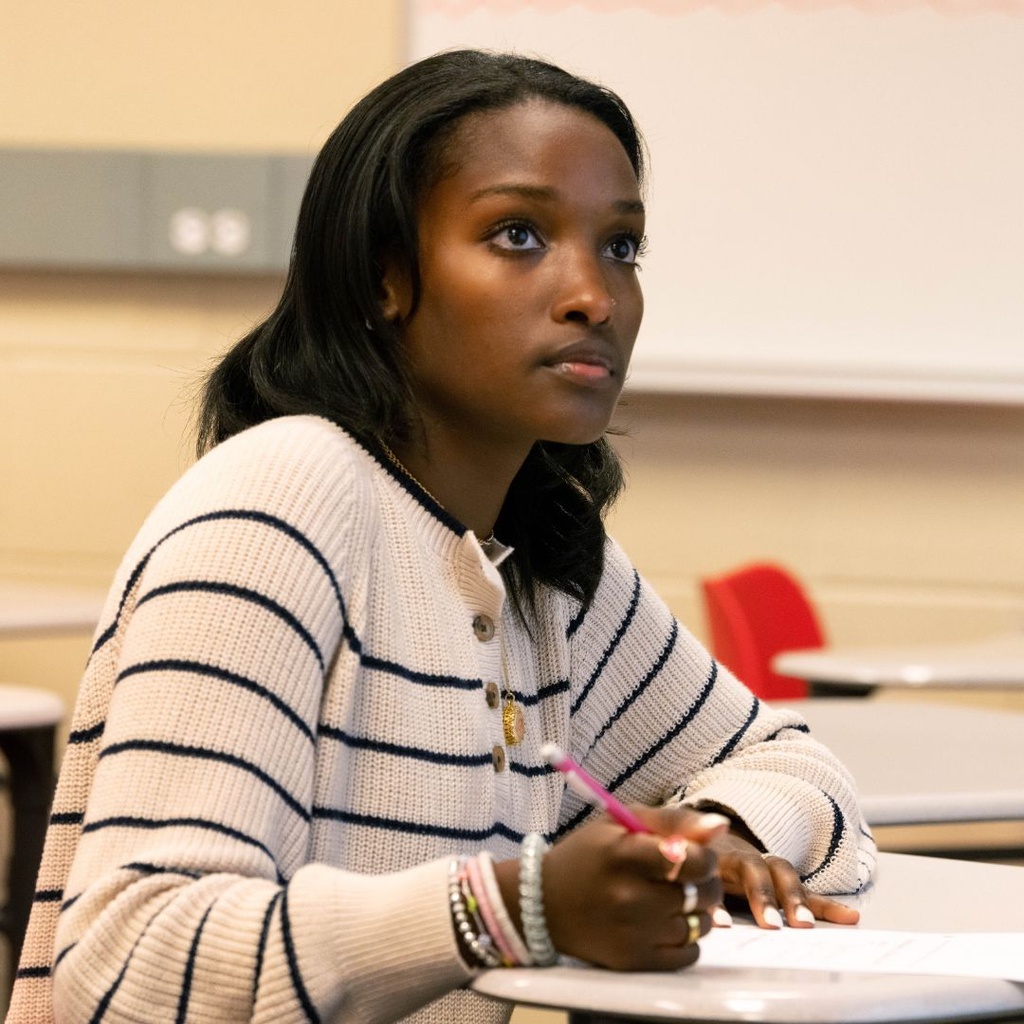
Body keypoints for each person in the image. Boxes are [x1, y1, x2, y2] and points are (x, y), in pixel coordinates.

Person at [8, 49, 876, 1024]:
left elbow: (798, 767)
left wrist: (715, 839)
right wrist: (509, 907)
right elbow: (130, 967)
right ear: (386, 276)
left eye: (622, 247)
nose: (594, 294)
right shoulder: (276, 506)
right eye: (517, 235)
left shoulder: (542, 554)